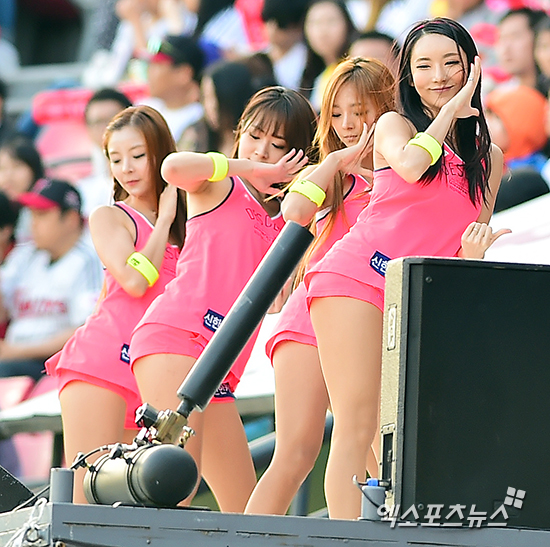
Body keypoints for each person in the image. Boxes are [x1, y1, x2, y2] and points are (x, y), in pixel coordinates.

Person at [300, 17, 506, 519]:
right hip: (355, 278)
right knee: (357, 425)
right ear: (408, 77)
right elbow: (412, 166)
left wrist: (474, 255)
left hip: (416, 295)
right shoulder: (396, 125)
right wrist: (452, 110)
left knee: (406, 430)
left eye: (452, 64)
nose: (440, 76)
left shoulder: (489, 158)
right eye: (425, 65)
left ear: (473, 67)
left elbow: (464, 246)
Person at [130, 86, 317, 512]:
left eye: (278, 145)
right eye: (254, 136)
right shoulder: (221, 185)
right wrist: (247, 166)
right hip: (178, 338)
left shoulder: (289, 218)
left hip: (222, 368)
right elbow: (172, 167)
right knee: (176, 485)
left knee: (248, 510)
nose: (263, 151)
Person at [244, 57, 395, 516]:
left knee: (376, 451)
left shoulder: (403, 177)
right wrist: (332, 162)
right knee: (295, 454)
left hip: (368, 318)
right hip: (310, 317)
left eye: (360, 111)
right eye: (337, 113)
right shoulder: (334, 178)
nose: (347, 125)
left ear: (388, 108)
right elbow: (293, 212)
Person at [45, 105, 186, 504]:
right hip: (103, 363)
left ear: (161, 154)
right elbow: (135, 280)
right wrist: (163, 222)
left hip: (154, 375)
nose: (127, 168)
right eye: (116, 158)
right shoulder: (110, 217)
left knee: (142, 505)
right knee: (85, 502)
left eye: (138, 155)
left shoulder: (189, 227)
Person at [0, 179, 103, 381]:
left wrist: (16, 352)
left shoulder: (89, 260)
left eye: (42, 215)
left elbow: (86, 330)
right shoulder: (25, 256)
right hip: (13, 359)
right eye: (32, 215)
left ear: (71, 219)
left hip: (54, 363)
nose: (33, 223)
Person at [141, 34, 207, 151]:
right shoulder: (144, 109)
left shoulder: (199, 119)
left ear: (183, 74)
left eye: (157, 64)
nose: (148, 72)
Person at [77, 87, 133, 218]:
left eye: (112, 120)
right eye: (97, 122)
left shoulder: (148, 181)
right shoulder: (84, 191)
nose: (106, 128)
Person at [301, 0, 357, 111]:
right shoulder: (312, 75)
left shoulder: (354, 71)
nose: (323, 31)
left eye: (331, 22)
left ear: (347, 24)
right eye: (315, 23)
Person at [200, 59, 256, 156]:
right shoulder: (199, 136)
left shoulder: (254, 146)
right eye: (205, 97)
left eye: (213, 98)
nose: (209, 106)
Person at [0, 136, 44, 244]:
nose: (8, 176)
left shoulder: (44, 210)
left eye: (17, 166)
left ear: (34, 170)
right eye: (2, 168)